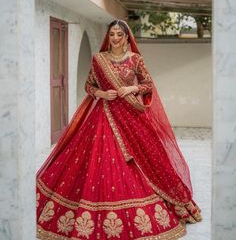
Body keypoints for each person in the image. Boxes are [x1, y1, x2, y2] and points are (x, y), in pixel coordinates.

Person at [36, 20, 202, 240]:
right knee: (97, 160)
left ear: (126, 37)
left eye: (119, 34)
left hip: (131, 116)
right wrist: (102, 94)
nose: (115, 38)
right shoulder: (99, 59)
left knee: (145, 160)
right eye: (112, 34)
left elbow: (147, 84)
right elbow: (89, 85)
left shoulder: (135, 60)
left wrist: (131, 88)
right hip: (102, 116)